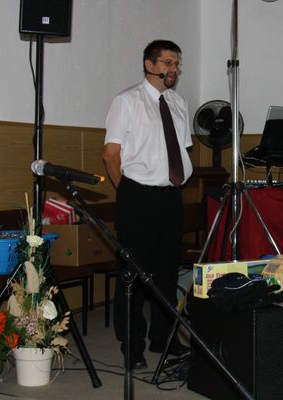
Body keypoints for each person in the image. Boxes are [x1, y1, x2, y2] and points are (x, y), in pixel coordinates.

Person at [102, 39, 193, 370]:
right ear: (149, 65)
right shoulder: (127, 101)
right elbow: (110, 154)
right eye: (167, 62)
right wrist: (127, 191)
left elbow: (180, 151)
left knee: (167, 272)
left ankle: (162, 338)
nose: (174, 69)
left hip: (170, 196)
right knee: (134, 274)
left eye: (176, 63)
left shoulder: (178, 103)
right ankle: (132, 346)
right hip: (137, 196)